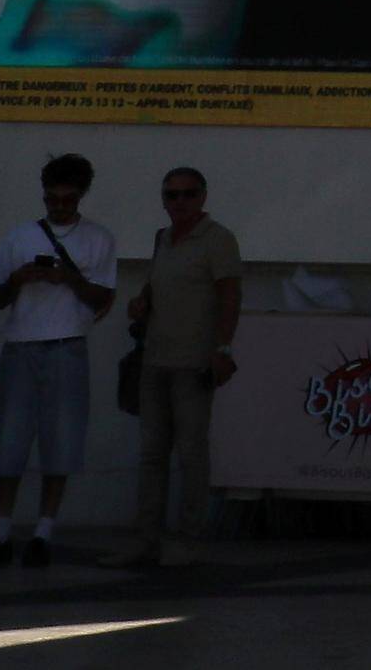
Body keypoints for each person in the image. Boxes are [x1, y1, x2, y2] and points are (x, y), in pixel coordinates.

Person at [0, 152, 116, 565]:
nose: (59, 206)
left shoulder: (98, 239)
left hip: (67, 344)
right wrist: (18, 279)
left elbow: (102, 297)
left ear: (81, 196)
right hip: (20, 344)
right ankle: (0, 530)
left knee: (61, 441)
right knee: (9, 440)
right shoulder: (19, 237)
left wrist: (67, 278)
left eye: (67, 199)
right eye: (52, 199)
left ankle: (43, 532)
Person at [108, 163, 243, 567]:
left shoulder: (218, 240)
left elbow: (230, 297)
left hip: (194, 362)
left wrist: (223, 349)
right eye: (171, 194)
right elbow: (155, 285)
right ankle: (146, 540)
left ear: (202, 197)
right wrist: (141, 303)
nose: (179, 202)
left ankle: (189, 540)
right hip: (155, 360)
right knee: (151, 455)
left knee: (191, 454)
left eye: (187, 194)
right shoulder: (162, 239)